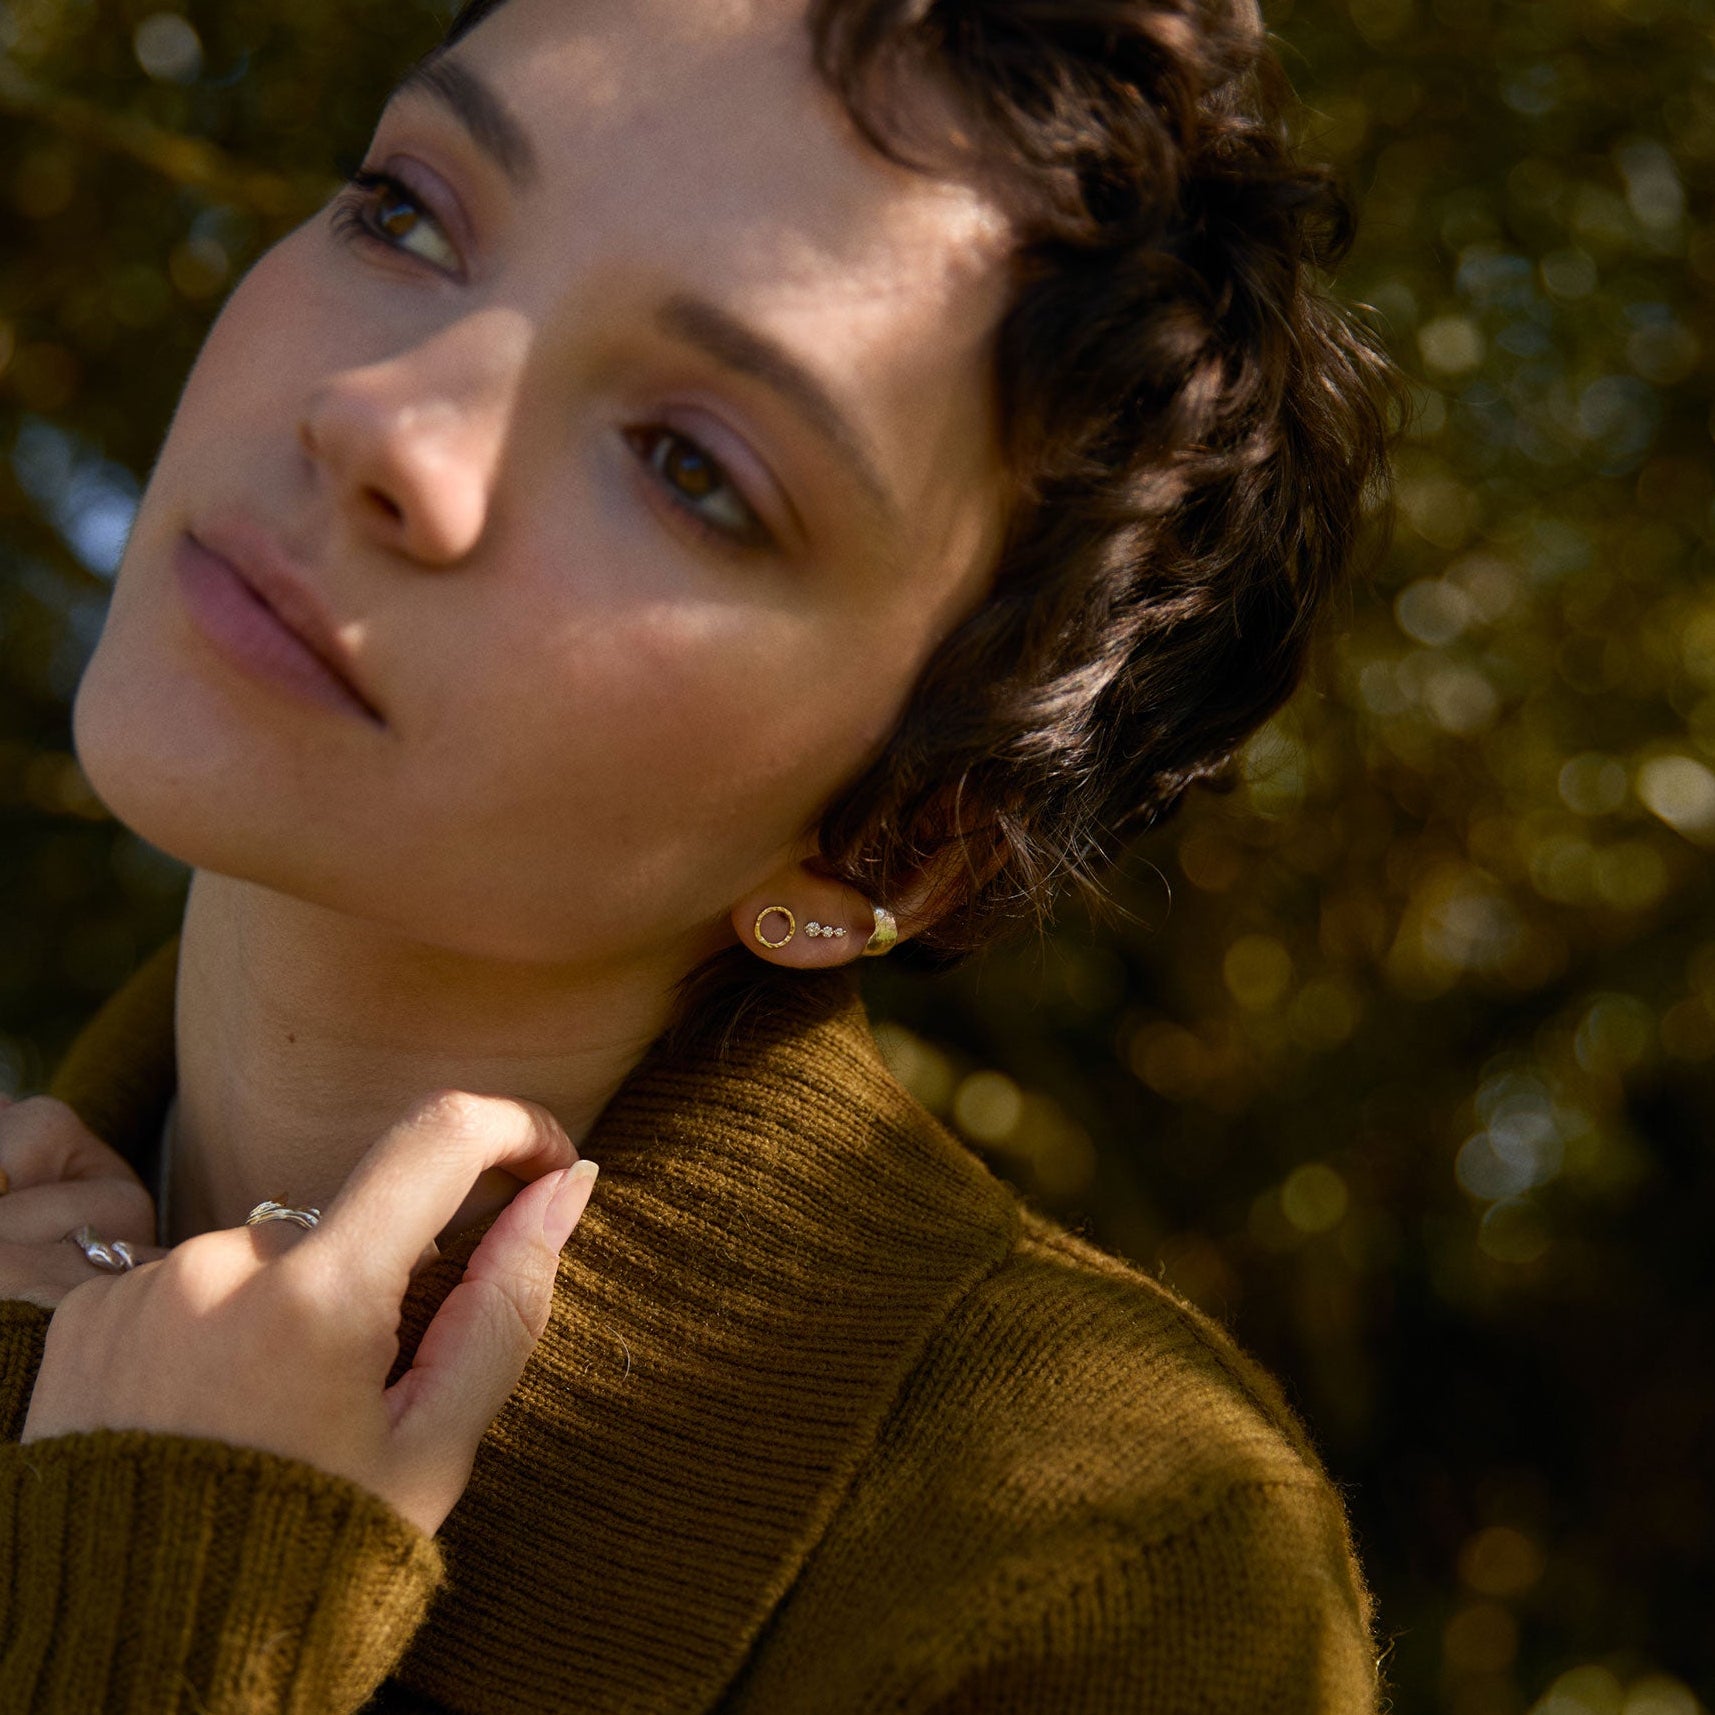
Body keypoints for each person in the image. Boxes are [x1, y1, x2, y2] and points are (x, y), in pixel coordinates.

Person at [0, 0, 1399, 1708]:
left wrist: (179, 1609)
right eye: (409, 214)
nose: (385, 424)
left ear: (896, 842)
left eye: (689, 468)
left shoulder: (1104, 1555)